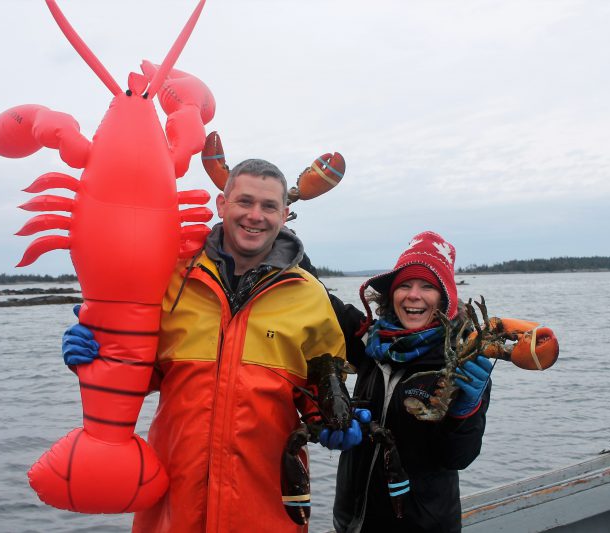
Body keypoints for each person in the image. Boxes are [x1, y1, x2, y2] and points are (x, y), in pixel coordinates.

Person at [62, 158, 365, 533]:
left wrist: (332, 424)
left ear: (284, 215)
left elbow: (320, 387)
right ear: (222, 205)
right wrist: (101, 353)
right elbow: (142, 375)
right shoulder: (170, 279)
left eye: (269, 206)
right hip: (173, 506)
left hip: (267, 509)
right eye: (245, 202)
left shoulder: (310, 296)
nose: (255, 216)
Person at [332, 231, 493, 533]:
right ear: (391, 295)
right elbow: (323, 301)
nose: (413, 295)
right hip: (354, 522)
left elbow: (459, 457)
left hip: (423, 525)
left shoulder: (461, 361)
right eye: (404, 285)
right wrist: (277, 230)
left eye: (427, 287)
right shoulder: (370, 342)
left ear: (445, 299)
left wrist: (465, 410)